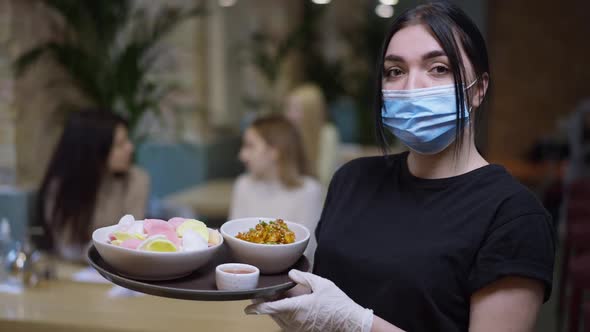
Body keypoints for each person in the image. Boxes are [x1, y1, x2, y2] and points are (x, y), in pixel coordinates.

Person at [245, 2, 555, 331]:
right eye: (396, 71)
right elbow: (328, 297)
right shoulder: (352, 179)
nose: (411, 88)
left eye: (438, 68)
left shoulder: (513, 216)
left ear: (479, 88)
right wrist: (291, 296)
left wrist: (359, 324)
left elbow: (340, 315)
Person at [36, 110, 150, 262]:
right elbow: (67, 247)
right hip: (73, 273)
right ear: (94, 149)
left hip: (119, 274)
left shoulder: (137, 180)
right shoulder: (61, 186)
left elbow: (130, 242)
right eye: (120, 144)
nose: (130, 148)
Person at [230, 114, 323, 262]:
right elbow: (234, 242)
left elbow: (304, 252)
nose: (242, 155)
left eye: (250, 146)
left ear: (275, 151)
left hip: (291, 280)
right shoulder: (243, 185)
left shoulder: (309, 191)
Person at [285, 83, 341, 187]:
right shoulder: (289, 133)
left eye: (295, 109)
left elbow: (324, 177)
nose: (288, 114)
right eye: (288, 108)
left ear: (309, 112)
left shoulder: (327, 134)